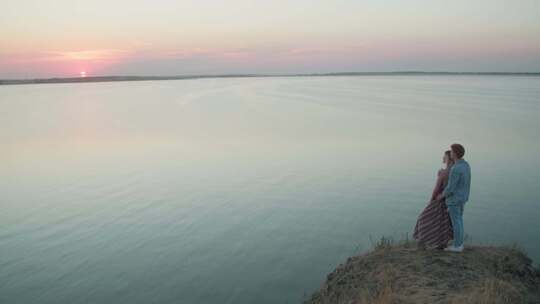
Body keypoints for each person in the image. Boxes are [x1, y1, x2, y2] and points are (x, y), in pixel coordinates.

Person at [413, 150, 454, 250]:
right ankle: (441, 244)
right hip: (449, 200)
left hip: (440, 200)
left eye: (444, 156)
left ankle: (422, 243)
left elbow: (436, 189)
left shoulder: (443, 173)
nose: (443, 158)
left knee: (422, 219)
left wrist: (431, 201)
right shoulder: (454, 171)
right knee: (443, 223)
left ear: (448, 158)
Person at [437, 143, 471, 253]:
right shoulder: (466, 165)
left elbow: (450, 188)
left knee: (456, 222)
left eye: (451, 152)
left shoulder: (455, 168)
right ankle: (459, 243)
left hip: (454, 200)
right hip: (463, 198)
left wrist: (441, 195)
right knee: (459, 221)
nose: (450, 153)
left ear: (455, 154)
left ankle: (457, 246)